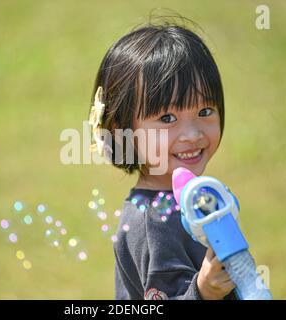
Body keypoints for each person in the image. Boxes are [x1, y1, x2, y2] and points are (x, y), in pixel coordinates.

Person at [88, 18, 237, 300]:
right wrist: (203, 290)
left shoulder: (197, 196)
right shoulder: (152, 223)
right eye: (168, 118)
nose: (193, 134)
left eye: (205, 111)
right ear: (123, 132)